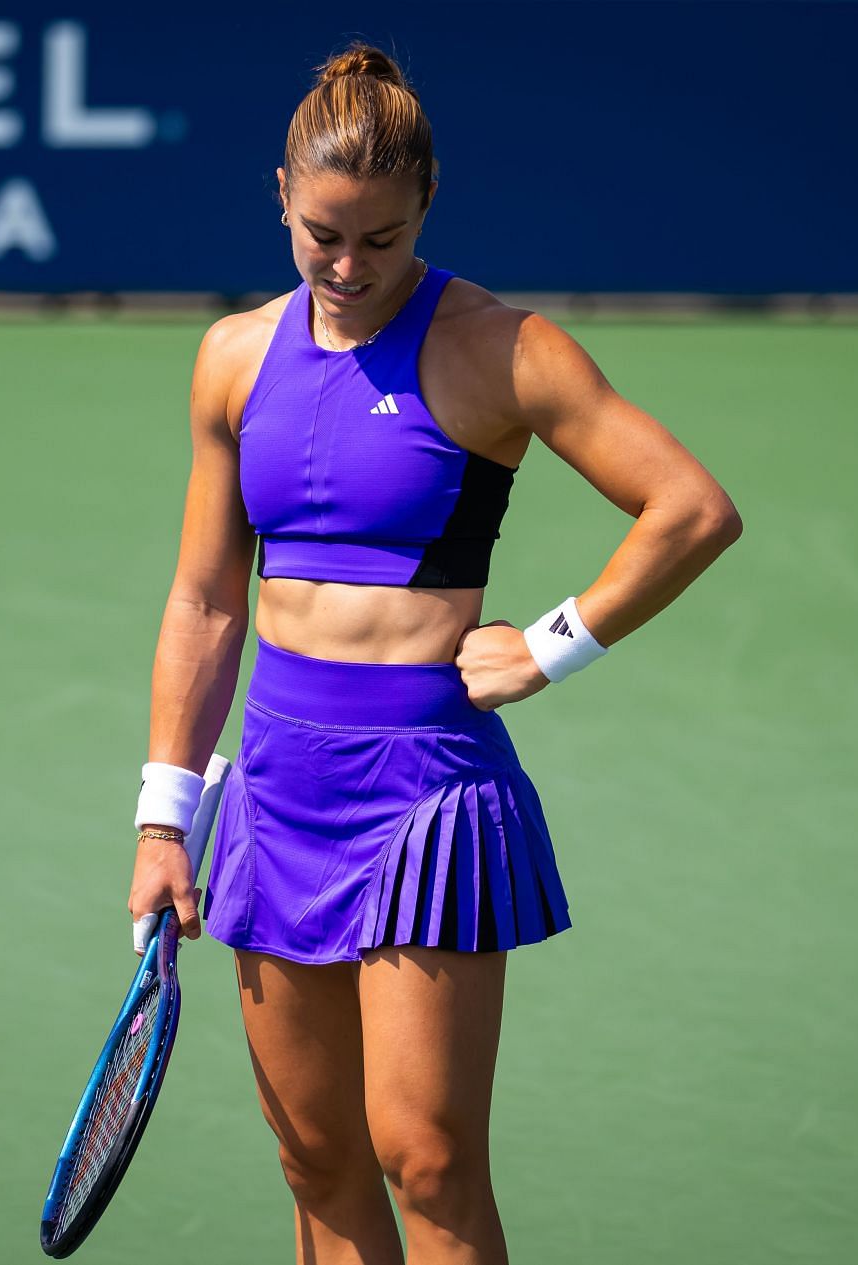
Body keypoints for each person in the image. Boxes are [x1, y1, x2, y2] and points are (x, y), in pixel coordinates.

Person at [125, 41, 742, 1265]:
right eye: (322, 236)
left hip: (426, 794)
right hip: (277, 786)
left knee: (429, 1155)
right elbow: (205, 600)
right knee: (313, 1154)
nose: (350, 268)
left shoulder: (500, 347)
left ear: (428, 209)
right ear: (283, 200)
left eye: (383, 240)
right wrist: (163, 815)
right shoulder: (234, 356)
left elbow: (690, 507)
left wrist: (557, 642)